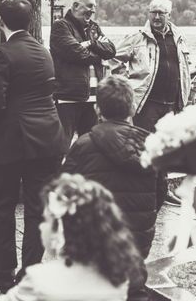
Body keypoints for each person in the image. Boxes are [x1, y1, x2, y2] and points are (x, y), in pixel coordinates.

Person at [0, 0, 67, 293]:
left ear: (0, 21)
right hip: (49, 140)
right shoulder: (44, 52)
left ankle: (3, 275)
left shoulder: (1, 53)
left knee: (3, 207)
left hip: (12, 141)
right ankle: (29, 274)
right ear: (30, 21)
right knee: (37, 209)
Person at [62, 75, 165, 301]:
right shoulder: (151, 147)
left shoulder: (83, 146)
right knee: (134, 287)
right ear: (132, 108)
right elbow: (160, 193)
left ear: (98, 109)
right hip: (135, 238)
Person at [0, 173, 143, 301]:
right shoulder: (118, 278)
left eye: (46, 220)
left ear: (60, 229)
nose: (41, 226)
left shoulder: (39, 280)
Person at [108, 0, 191, 205]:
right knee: (143, 148)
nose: (156, 16)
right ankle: (142, 191)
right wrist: (125, 84)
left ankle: (161, 190)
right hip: (147, 104)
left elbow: (185, 65)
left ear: (169, 15)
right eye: (153, 12)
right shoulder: (138, 38)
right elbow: (113, 58)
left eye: (161, 13)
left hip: (172, 104)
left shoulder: (179, 37)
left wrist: (186, 93)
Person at [50, 0, 116, 142]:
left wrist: (91, 43)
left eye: (94, 7)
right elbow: (77, 53)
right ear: (75, 6)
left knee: (89, 146)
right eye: (90, 6)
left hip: (92, 100)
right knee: (62, 145)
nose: (93, 11)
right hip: (68, 98)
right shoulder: (61, 26)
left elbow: (111, 50)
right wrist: (98, 56)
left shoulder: (93, 28)